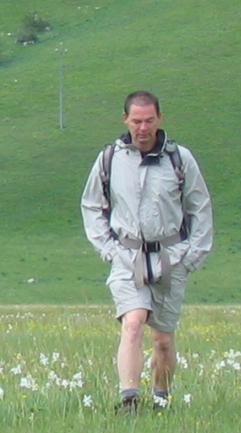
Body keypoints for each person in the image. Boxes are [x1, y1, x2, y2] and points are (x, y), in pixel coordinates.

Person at [81, 91, 213, 413]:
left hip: (171, 257)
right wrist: (108, 249)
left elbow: (200, 207)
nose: (143, 128)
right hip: (127, 256)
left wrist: (191, 256)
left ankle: (160, 398)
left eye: (149, 120)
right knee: (133, 323)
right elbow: (92, 205)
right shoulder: (110, 158)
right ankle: (129, 399)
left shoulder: (180, 159)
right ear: (125, 119)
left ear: (159, 119)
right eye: (137, 121)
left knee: (162, 340)